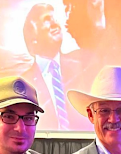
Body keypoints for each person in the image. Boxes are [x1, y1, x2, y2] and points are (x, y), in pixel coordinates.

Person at [21, 2, 94, 131]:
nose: (55, 24)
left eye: (55, 19)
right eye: (47, 20)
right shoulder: (24, 83)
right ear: (33, 37)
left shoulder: (83, 65)